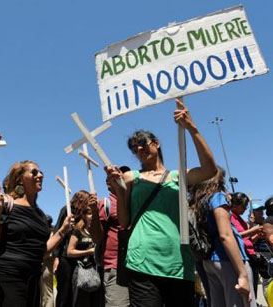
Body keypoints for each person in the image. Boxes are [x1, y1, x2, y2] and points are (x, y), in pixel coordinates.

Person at [105, 98, 217, 307]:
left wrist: (192, 128)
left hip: (178, 261)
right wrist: (119, 190)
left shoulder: (176, 176)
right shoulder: (132, 178)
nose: (139, 149)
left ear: (156, 143)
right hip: (141, 260)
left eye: (143, 143)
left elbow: (210, 170)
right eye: (134, 148)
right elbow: (124, 220)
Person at [0, 160, 73, 307]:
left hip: (31, 285)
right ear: (20, 179)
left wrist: (62, 231)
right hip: (1, 285)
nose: (40, 175)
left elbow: (41, 252)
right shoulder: (5, 205)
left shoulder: (41, 215)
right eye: (34, 172)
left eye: (41, 172)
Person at [189, 168, 256, 307]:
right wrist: (242, 273)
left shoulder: (198, 201)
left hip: (209, 260)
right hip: (228, 259)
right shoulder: (217, 197)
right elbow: (225, 235)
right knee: (241, 302)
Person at [90, 166, 130, 307]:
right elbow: (97, 238)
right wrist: (95, 212)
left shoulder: (135, 201)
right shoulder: (106, 204)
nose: (122, 178)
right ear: (108, 184)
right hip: (116, 267)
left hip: (140, 266)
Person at [53, 191, 90, 307]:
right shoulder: (66, 210)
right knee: (64, 292)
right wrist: (56, 257)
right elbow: (57, 231)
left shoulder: (84, 215)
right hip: (65, 256)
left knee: (77, 293)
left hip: (79, 257)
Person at [67, 195, 101, 307]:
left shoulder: (98, 230)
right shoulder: (78, 231)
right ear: (84, 216)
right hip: (82, 271)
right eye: (89, 213)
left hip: (97, 271)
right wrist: (89, 251)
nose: (91, 216)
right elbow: (70, 252)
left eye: (93, 213)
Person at [230, 192, 264, 300]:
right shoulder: (230, 218)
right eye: (243, 207)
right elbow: (234, 236)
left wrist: (256, 235)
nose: (245, 209)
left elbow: (247, 240)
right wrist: (252, 230)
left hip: (251, 254)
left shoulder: (240, 219)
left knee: (253, 287)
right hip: (243, 256)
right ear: (236, 205)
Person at [40, 214, 55, 307]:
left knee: (46, 294)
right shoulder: (54, 233)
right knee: (48, 292)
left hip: (44, 263)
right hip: (49, 263)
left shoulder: (43, 232)